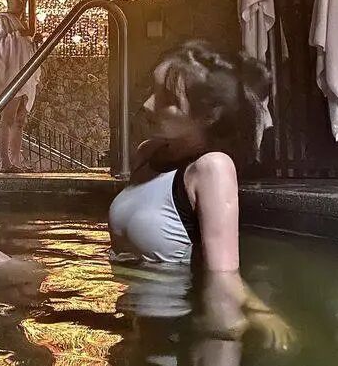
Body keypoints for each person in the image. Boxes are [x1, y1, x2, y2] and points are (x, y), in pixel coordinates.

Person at [108, 40, 295, 350]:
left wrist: (257, 313)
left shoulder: (211, 169)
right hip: (131, 317)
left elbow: (223, 272)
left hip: (179, 327)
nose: (148, 105)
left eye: (168, 100)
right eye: (153, 90)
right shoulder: (146, 154)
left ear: (208, 115)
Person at [0, 0, 40, 173]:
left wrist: (33, 42)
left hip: (25, 77)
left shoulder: (22, 24)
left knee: (20, 120)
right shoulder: (2, 19)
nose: (21, 2)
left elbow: (26, 50)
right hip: (11, 76)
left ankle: (16, 161)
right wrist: (19, 36)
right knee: (8, 119)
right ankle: (5, 162)